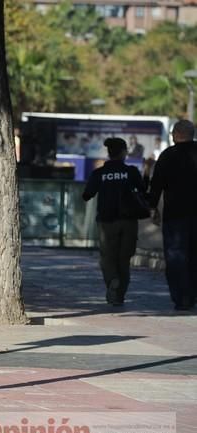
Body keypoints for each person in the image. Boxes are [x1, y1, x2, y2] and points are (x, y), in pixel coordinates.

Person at [82, 137, 145, 306]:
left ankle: (112, 280)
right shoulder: (131, 171)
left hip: (106, 222)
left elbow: (87, 195)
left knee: (107, 258)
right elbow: (143, 190)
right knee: (124, 259)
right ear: (124, 152)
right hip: (129, 221)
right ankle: (119, 296)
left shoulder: (99, 173)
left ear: (109, 153)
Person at [148, 119, 197, 311]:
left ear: (176, 135)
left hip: (176, 215)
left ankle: (181, 296)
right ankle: (193, 293)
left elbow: (156, 184)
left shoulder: (168, 155)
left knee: (176, 256)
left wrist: (152, 207)